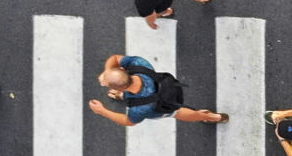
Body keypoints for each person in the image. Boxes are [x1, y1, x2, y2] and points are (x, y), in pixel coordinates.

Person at [88, 52, 227, 126]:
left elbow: (128, 121)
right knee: (176, 112)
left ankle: (208, 116)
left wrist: (103, 111)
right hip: (165, 85)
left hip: (161, 104)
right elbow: (115, 58)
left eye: (105, 83)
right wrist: (108, 72)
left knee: (175, 113)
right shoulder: (140, 64)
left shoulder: (140, 109)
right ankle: (213, 116)